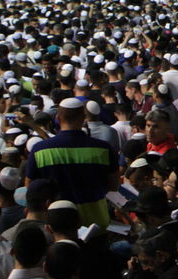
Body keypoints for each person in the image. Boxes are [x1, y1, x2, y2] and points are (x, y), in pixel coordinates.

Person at [25, 97, 116, 227]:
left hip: (58, 224)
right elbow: (114, 185)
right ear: (83, 118)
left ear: (58, 118)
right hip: (96, 223)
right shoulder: (103, 149)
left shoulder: (39, 150)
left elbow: (31, 187)